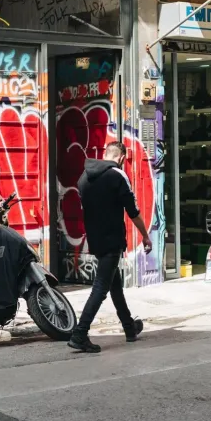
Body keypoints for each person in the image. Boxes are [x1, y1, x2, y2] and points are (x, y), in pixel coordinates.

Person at [68, 141, 152, 353]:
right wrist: (145, 236)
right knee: (101, 287)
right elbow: (133, 211)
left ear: (105, 154)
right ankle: (80, 333)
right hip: (112, 240)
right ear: (122, 157)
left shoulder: (83, 178)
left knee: (115, 285)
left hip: (95, 241)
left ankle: (129, 327)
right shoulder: (117, 176)